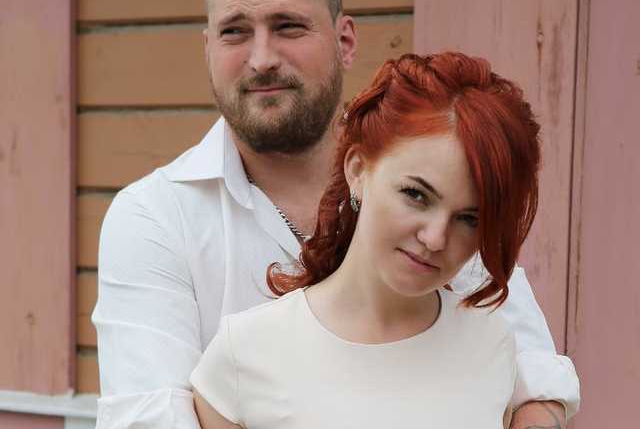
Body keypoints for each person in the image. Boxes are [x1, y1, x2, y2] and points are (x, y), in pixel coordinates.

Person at [92, 0, 579, 428]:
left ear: (345, 41)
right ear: (208, 48)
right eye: (234, 31)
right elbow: (147, 418)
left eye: (288, 27)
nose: (261, 59)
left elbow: (530, 370)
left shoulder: (433, 178)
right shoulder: (155, 217)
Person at [189, 51, 539, 428]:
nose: (436, 238)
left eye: (469, 218)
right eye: (416, 195)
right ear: (358, 170)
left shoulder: (491, 344)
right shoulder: (244, 356)